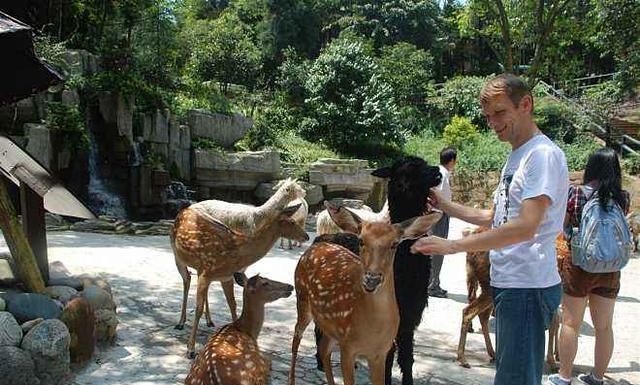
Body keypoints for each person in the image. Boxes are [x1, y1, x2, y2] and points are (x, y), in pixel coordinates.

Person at [411, 73, 568, 385]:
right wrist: (446, 205)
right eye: (487, 116)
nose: (493, 122)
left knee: (515, 379)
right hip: (511, 284)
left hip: (527, 286)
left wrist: (451, 246)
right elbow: (496, 216)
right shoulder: (517, 156)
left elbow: (525, 227)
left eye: (500, 113)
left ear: (526, 104)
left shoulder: (542, 156)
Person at [547, 148, 629, 385]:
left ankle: (564, 377)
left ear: (591, 167)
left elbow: (563, 228)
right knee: (604, 327)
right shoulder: (623, 197)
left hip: (580, 266)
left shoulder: (577, 193)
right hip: (611, 268)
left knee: (571, 322)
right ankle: (597, 377)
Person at [429, 146, 457, 298]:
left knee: (435, 249)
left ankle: (433, 283)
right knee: (438, 249)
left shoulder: (439, 172)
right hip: (439, 215)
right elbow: (436, 194)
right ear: (452, 160)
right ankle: (433, 286)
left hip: (437, 214)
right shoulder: (442, 174)